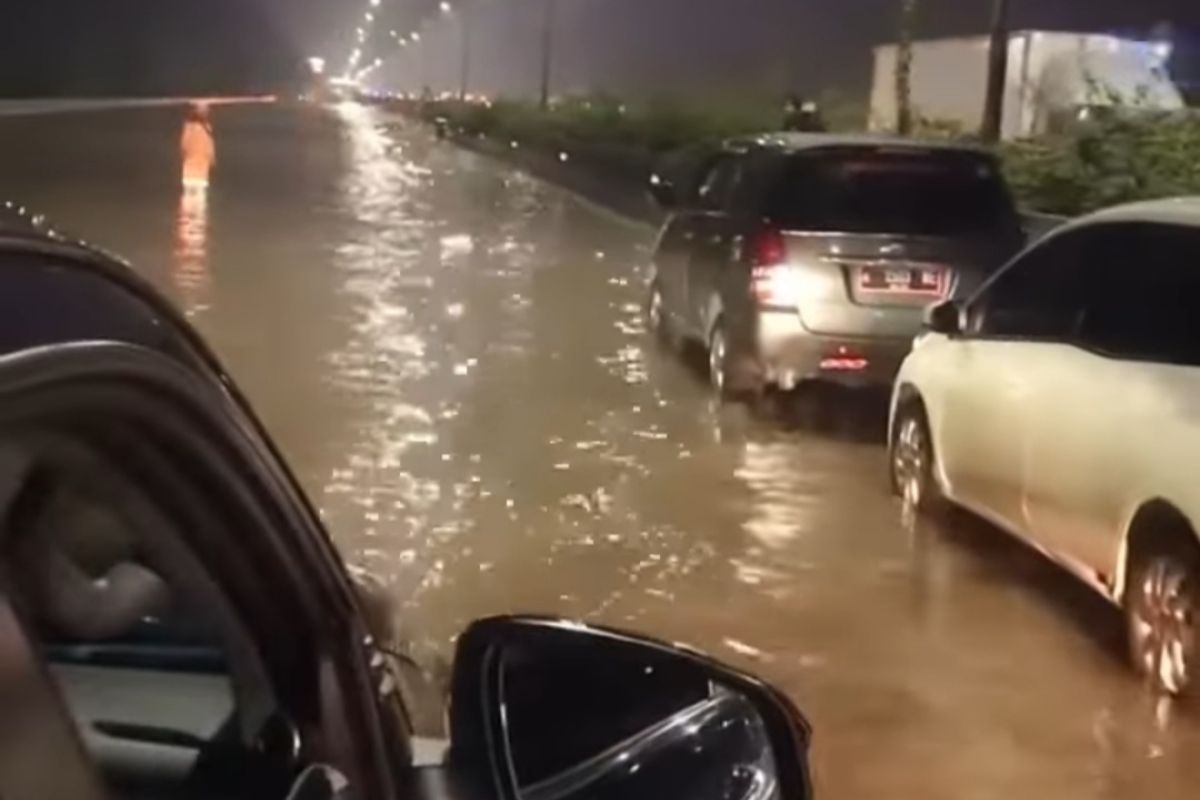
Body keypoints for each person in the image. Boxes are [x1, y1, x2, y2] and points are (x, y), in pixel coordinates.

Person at [181, 101, 217, 191]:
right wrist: (212, 158)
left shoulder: (190, 127)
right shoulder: (194, 127)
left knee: (192, 196)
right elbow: (209, 146)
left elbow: (184, 146)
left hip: (194, 170)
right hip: (197, 170)